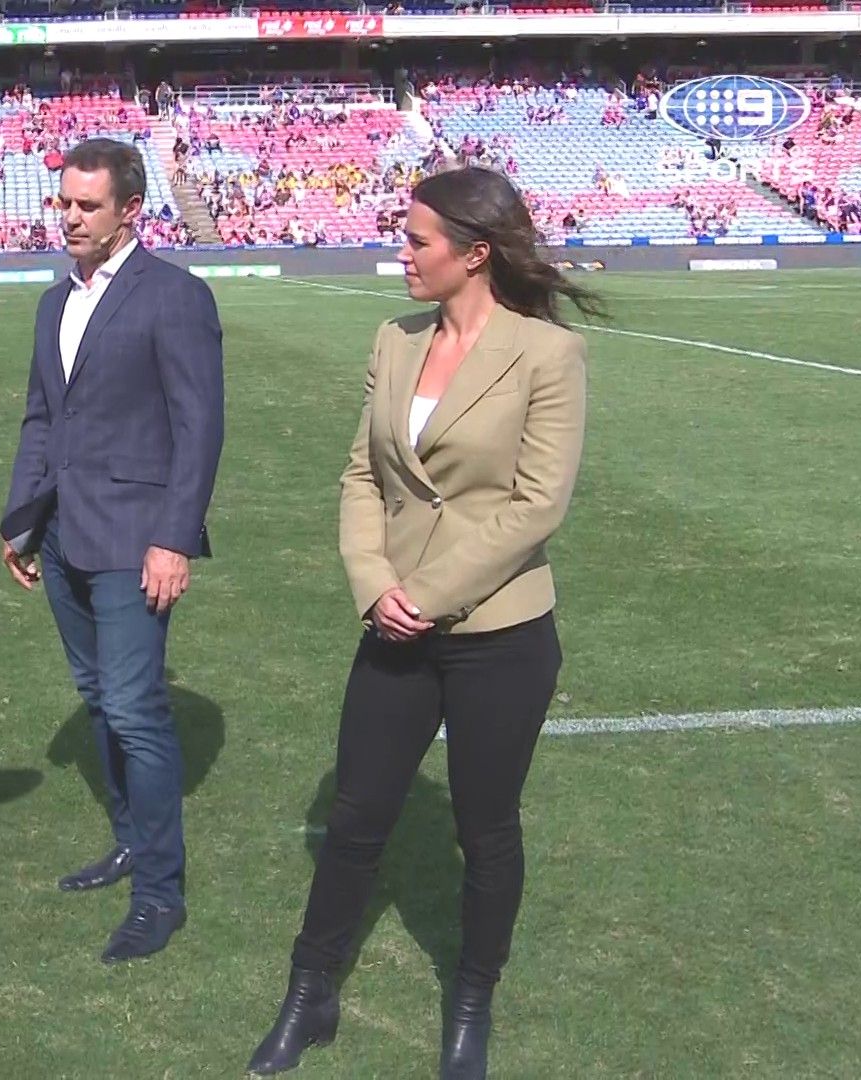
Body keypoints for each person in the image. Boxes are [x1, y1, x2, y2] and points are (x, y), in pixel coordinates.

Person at [246, 166, 604, 1080]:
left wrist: (428, 595)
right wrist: (376, 588)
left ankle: (470, 1005)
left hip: (501, 637)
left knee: (486, 830)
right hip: (392, 627)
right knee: (357, 817)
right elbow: (361, 476)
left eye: (416, 241)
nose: (399, 254)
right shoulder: (394, 341)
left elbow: (536, 506)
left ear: (475, 254)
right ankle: (310, 992)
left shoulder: (548, 355)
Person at [0, 137, 224, 964]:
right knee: (98, 698)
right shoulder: (53, 302)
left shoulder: (175, 296)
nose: (70, 217)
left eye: (87, 205)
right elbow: (41, 417)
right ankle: (129, 841)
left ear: (130, 210)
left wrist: (173, 539)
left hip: (136, 539)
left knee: (134, 708)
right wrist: (21, 520)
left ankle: (160, 892)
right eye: (64, 202)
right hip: (63, 534)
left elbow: (199, 428)